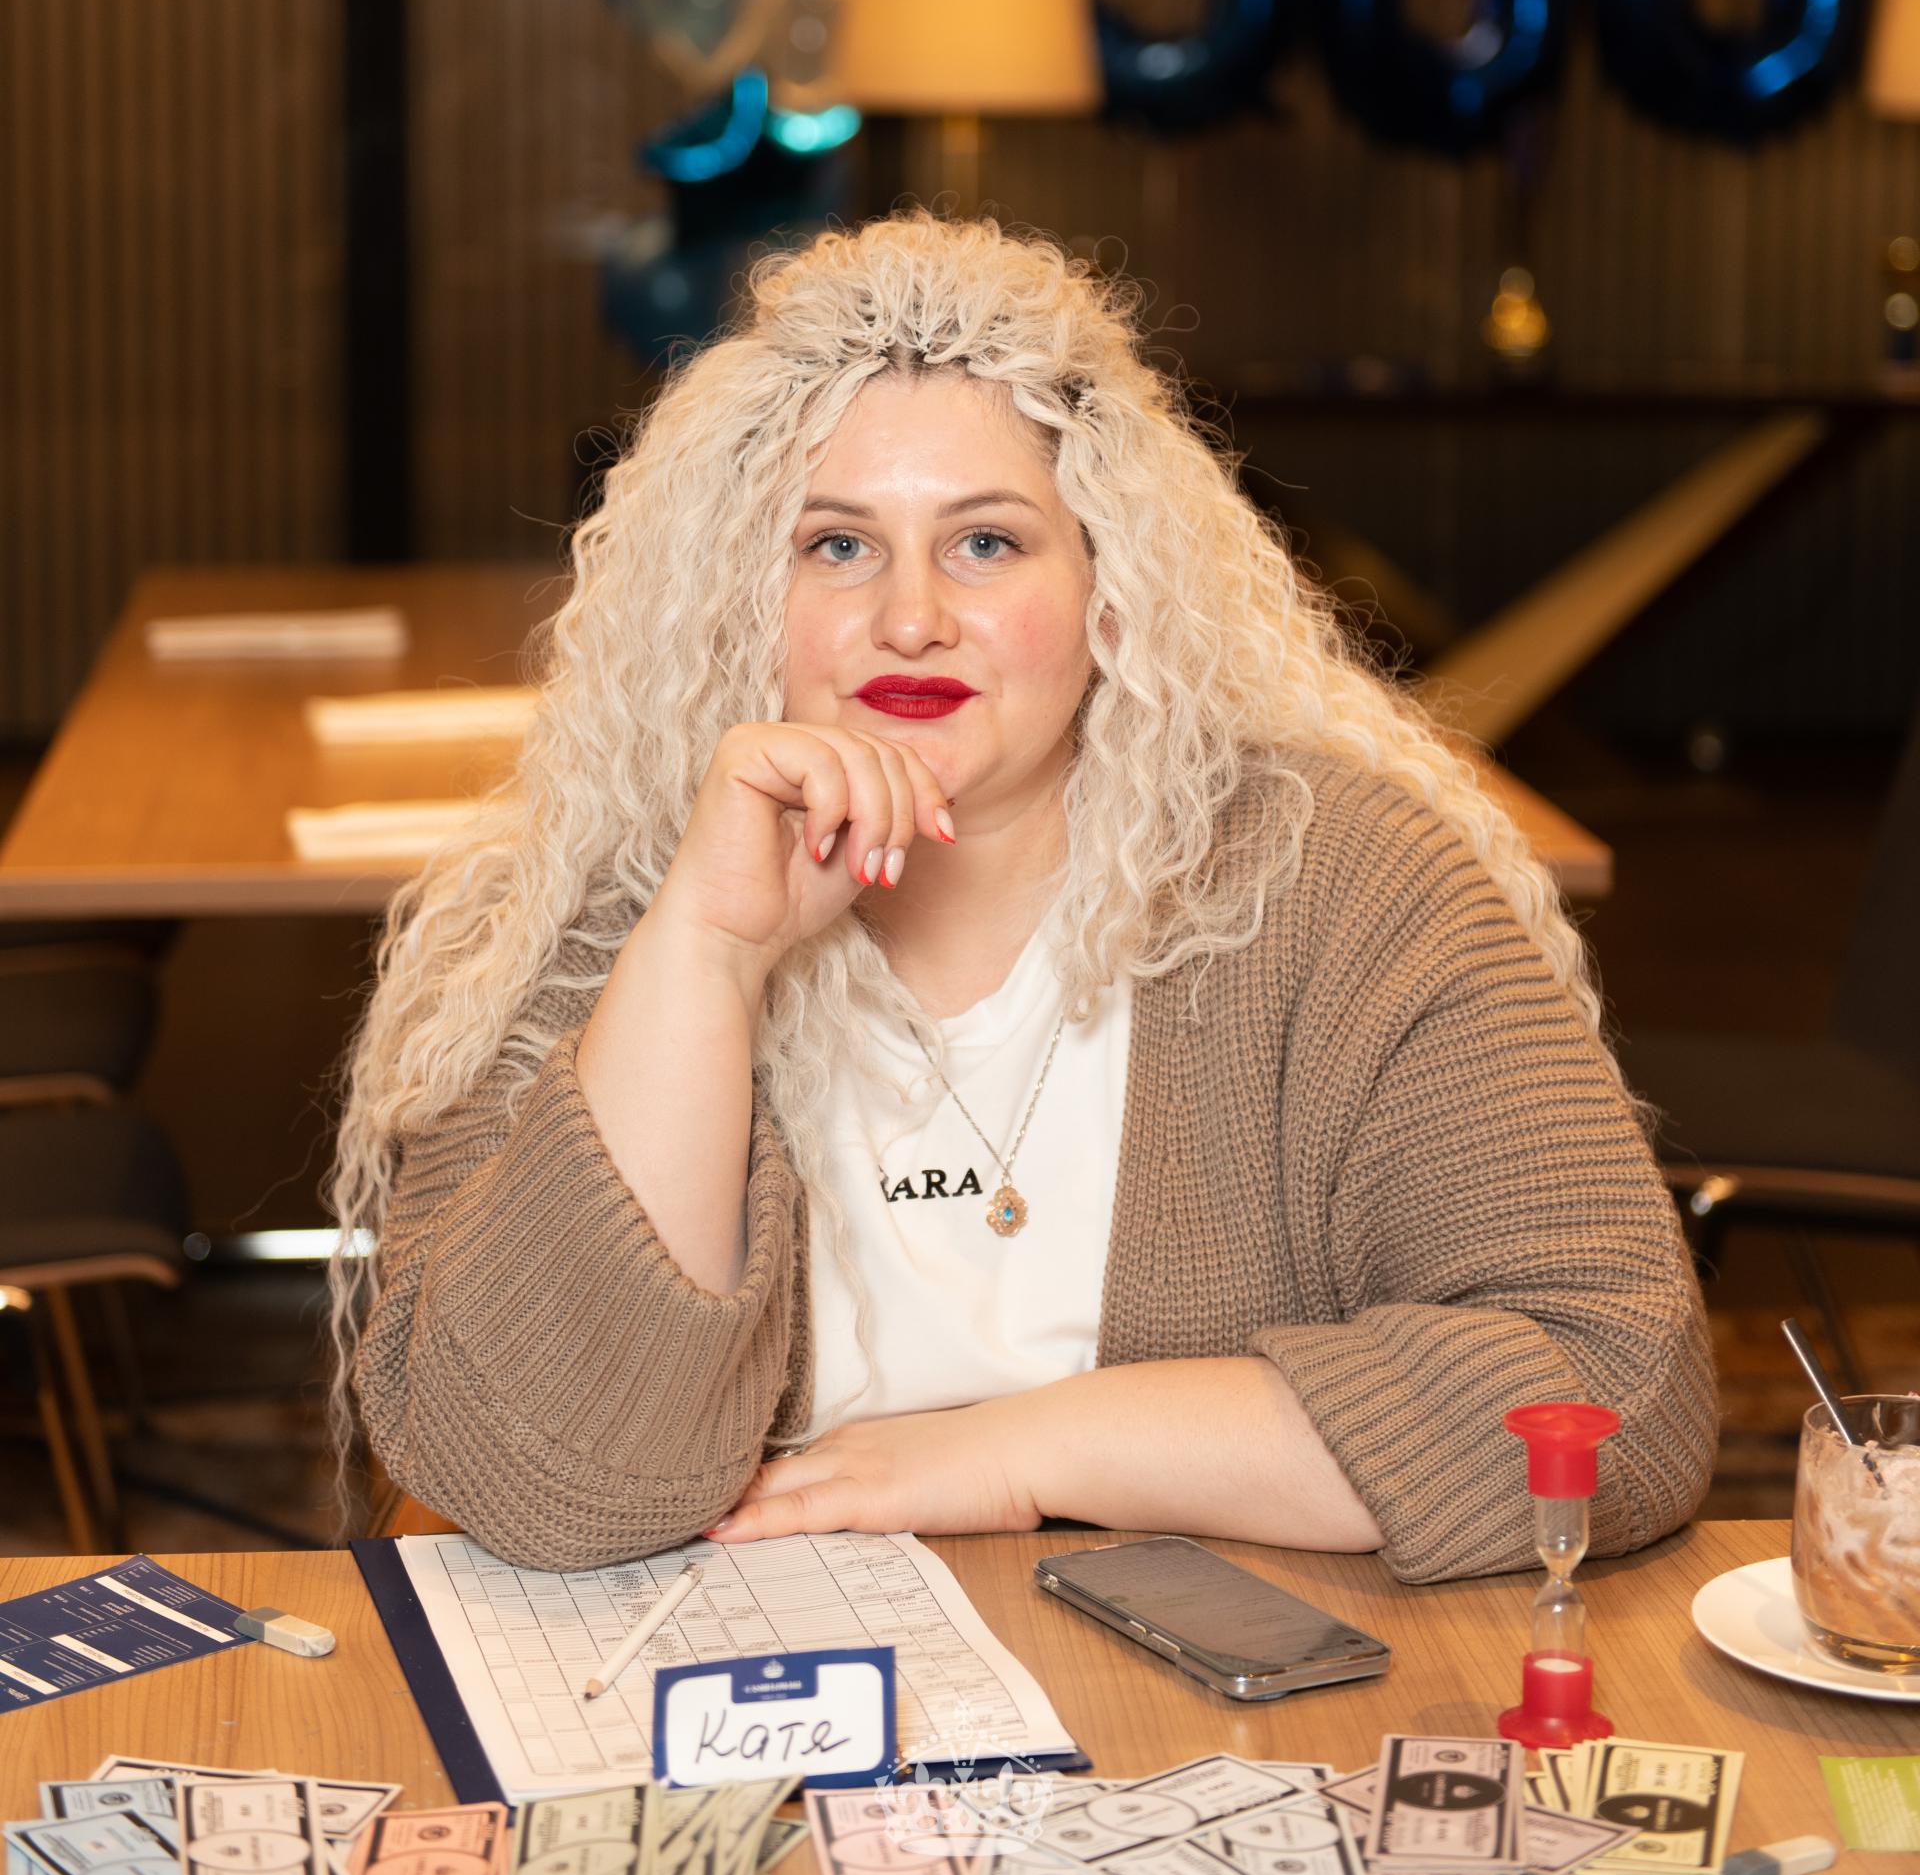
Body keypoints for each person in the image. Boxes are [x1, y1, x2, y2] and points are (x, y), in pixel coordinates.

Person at [331, 213, 1715, 1580]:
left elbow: (1614, 1394)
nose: (912, 617)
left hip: (1204, 1687)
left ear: (1113, 587)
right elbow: (524, 1473)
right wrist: (707, 953)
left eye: (987, 543)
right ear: (738, 598)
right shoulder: (615, 907)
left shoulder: (1340, 882)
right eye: (836, 545)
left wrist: (1015, 1453)